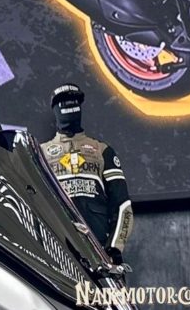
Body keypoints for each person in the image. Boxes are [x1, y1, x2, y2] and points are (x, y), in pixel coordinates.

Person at [40, 83, 133, 264]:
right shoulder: (40, 153)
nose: (69, 106)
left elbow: (122, 205)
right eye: (63, 102)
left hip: (99, 250)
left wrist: (114, 247)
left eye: (73, 101)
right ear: (54, 108)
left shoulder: (102, 151)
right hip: (58, 250)